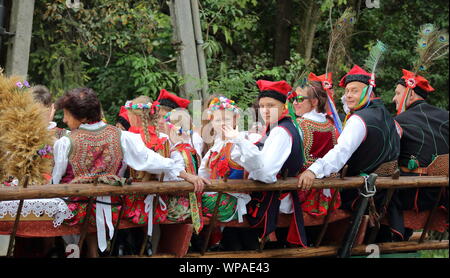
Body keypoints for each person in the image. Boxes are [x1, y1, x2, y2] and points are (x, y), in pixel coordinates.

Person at [51, 88, 203, 257]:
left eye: (66, 114)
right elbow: (151, 160)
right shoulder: (121, 136)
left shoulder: (65, 142)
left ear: (82, 116)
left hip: (76, 211)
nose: (64, 119)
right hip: (112, 207)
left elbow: (56, 180)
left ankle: (76, 251)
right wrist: (186, 174)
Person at [246, 80, 307, 248]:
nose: (265, 110)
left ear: (283, 106)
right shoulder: (279, 127)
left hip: (278, 200)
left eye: (271, 105)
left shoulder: (280, 131)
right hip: (277, 196)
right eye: (262, 105)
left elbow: (265, 174)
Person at [389, 69, 449, 240]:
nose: (394, 98)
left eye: (398, 93)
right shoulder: (446, 117)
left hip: (412, 196)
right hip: (441, 194)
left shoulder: (398, 121)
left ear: (411, 93)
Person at [198, 96, 263, 251]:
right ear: (212, 122)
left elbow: (256, 163)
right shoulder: (217, 145)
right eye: (218, 120)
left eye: (226, 119)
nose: (222, 124)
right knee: (236, 243)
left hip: (236, 201)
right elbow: (203, 173)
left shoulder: (241, 140)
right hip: (220, 198)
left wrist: (238, 139)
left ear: (235, 119)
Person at [291, 73, 340, 217]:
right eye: (293, 98)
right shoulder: (330, 126)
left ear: (314, 102)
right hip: (327, 194)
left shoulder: (298, 125)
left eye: (299, 99)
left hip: (301, 191)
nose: (294, 103)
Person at [156, 89, 204, 158]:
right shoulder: (151, 138)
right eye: (157, 117)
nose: (160, 122)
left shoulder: (191, 140)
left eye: (165, 117)